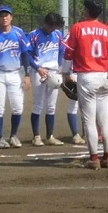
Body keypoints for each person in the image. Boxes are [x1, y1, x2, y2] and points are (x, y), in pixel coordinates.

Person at [63, 0, 108, 170]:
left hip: (87, 76)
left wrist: (65, 72)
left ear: (87, 10)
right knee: (104, 119)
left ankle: (94, 158)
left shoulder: (77, 28)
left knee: (89, 120)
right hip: (103, 76)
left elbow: (68, 53)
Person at [0, 5, 31, 149]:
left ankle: (13, 136)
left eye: (6, 15)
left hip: (16, 73)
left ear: (11, 17)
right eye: (1, 15)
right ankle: (0, 138)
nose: (4, 18)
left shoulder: (19, 33)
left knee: (18, 107)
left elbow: (25, 54)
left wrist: (27, 74)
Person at [27, 12, 66, 147]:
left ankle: (50, 136)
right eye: (51, 26)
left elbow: (62, 51)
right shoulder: (34, 35)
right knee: (38, 104)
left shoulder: (58, 35)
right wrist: (37, 68)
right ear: (45, 23)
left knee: (51, 106)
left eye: (55, 26)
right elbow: (27, 55)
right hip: (39, 71)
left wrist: (59, 67)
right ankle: (36, 137)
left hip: (53, 71)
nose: (53, 29)